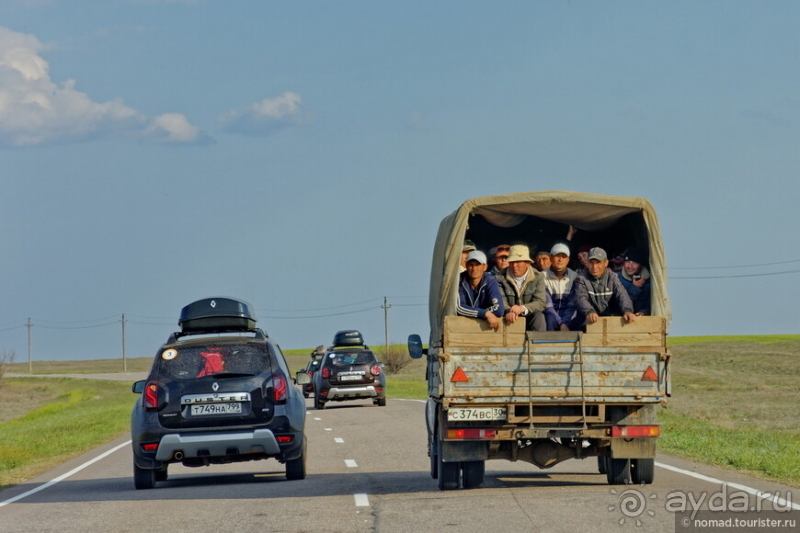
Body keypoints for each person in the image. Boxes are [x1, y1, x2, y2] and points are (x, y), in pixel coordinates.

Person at [572, 247, 636, 327]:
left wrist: (627, 310)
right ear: (588, 263)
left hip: (609, 318)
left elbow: (622, 294)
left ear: (605, 263)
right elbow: (580, 298)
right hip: (588, 319)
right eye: (591, 262)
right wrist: (589, 311)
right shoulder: (581, 278)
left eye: (598, 262)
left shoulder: (612, 277)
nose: (594, 267)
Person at [496, 244, 546, 331]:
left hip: (529, 314)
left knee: (539, 316)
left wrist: (522, 308)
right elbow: (500, 299)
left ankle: (537, 343)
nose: (514, 265)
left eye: (518, 262)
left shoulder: (538, 276)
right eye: (511, 262)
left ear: (527, 263)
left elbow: (540, 302)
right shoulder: (499, 277)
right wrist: (509, 311)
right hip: (508, 317)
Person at [457, 250, 505, 329]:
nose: (474, 269)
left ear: (485, 267)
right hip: (462, 327)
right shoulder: (460, 280)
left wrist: (479, 313)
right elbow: (460, 308)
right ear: (466, 265)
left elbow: (499, 309)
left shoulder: (490, 281)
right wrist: (485, 313)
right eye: (471, 265)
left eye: (477, 265)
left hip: (485, 330)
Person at [544, 243, 579, 331]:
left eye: (563, 257)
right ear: (551, 258)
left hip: (568, 316)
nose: (560, 260)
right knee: (549, 317)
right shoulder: (541, 276)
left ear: (568, 259)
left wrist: (565, 322)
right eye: (557, 256)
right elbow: (548, 306)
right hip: (550, 317)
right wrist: (560, 323)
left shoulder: (575, 277)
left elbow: (572, 305)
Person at [618, 247, 651, 315]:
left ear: (640, 265)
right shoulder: (616, 278)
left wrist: (644, 312)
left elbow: (653, 304)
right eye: (627, 262)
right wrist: (634, 288)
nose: (630, 266)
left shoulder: (649, 281)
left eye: (634, 262)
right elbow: (617, 305)